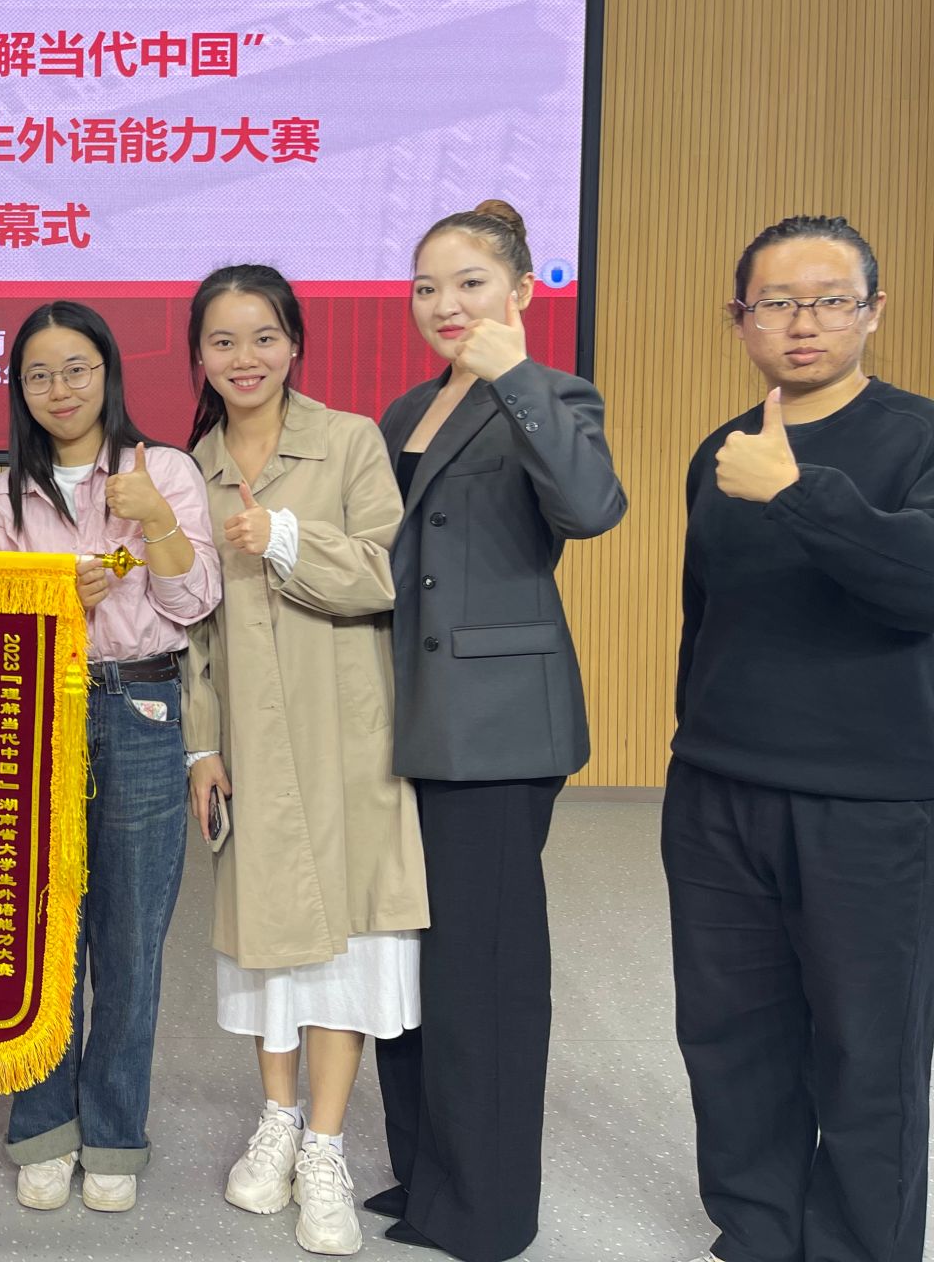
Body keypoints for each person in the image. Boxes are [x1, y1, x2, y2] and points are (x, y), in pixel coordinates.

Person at [667, 215, 933, 1262]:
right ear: (740, 321)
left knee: (868, 1051)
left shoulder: (917, 437)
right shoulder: (721, 452)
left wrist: (797, 495)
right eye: (775, 303)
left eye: (829, 300)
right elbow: (703, 617)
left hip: (868, 804)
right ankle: (757, 1233)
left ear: (873, 311)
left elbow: (919, 584)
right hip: (718, 791)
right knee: (730, 1039)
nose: (802, 322)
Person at [371, 200, 625, 1261]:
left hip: (494, 725)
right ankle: (425, 1175)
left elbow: (590, 508)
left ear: (520, 291)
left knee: (484, 970)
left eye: (469, 282)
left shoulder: (552, 393)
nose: (444, 304)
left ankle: (486, 1209)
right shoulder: (402, 410)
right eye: (425, 286)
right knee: (408, 964)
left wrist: (514, 374)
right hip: (398, 717)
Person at [181, 265, 427, 1256]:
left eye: (263, 338)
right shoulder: (191, 469)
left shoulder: (350, 441)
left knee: (345, 942)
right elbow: (193, 627)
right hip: (245, 737)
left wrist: (285, 537)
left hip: (344, 736)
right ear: (198, 356)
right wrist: (201, 744)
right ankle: (275, 1117)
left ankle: (324, 1143)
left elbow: (387, 572)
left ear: (293, 344)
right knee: (265, 938)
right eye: (222, 341)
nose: (244, 359)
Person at [0, 300, 220, 1215]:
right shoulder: (3, 495)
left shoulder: (165, 469)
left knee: (130, 936)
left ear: (108, 372)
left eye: (76, 368)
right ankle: (43, 1124)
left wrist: (153, 517)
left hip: (144, 706)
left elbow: (194, 602)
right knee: (42, 930)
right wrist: (52, 601)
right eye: (38, 374)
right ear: (19, 390)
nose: (60, 389)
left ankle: (116, 1129)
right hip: (40, 713)